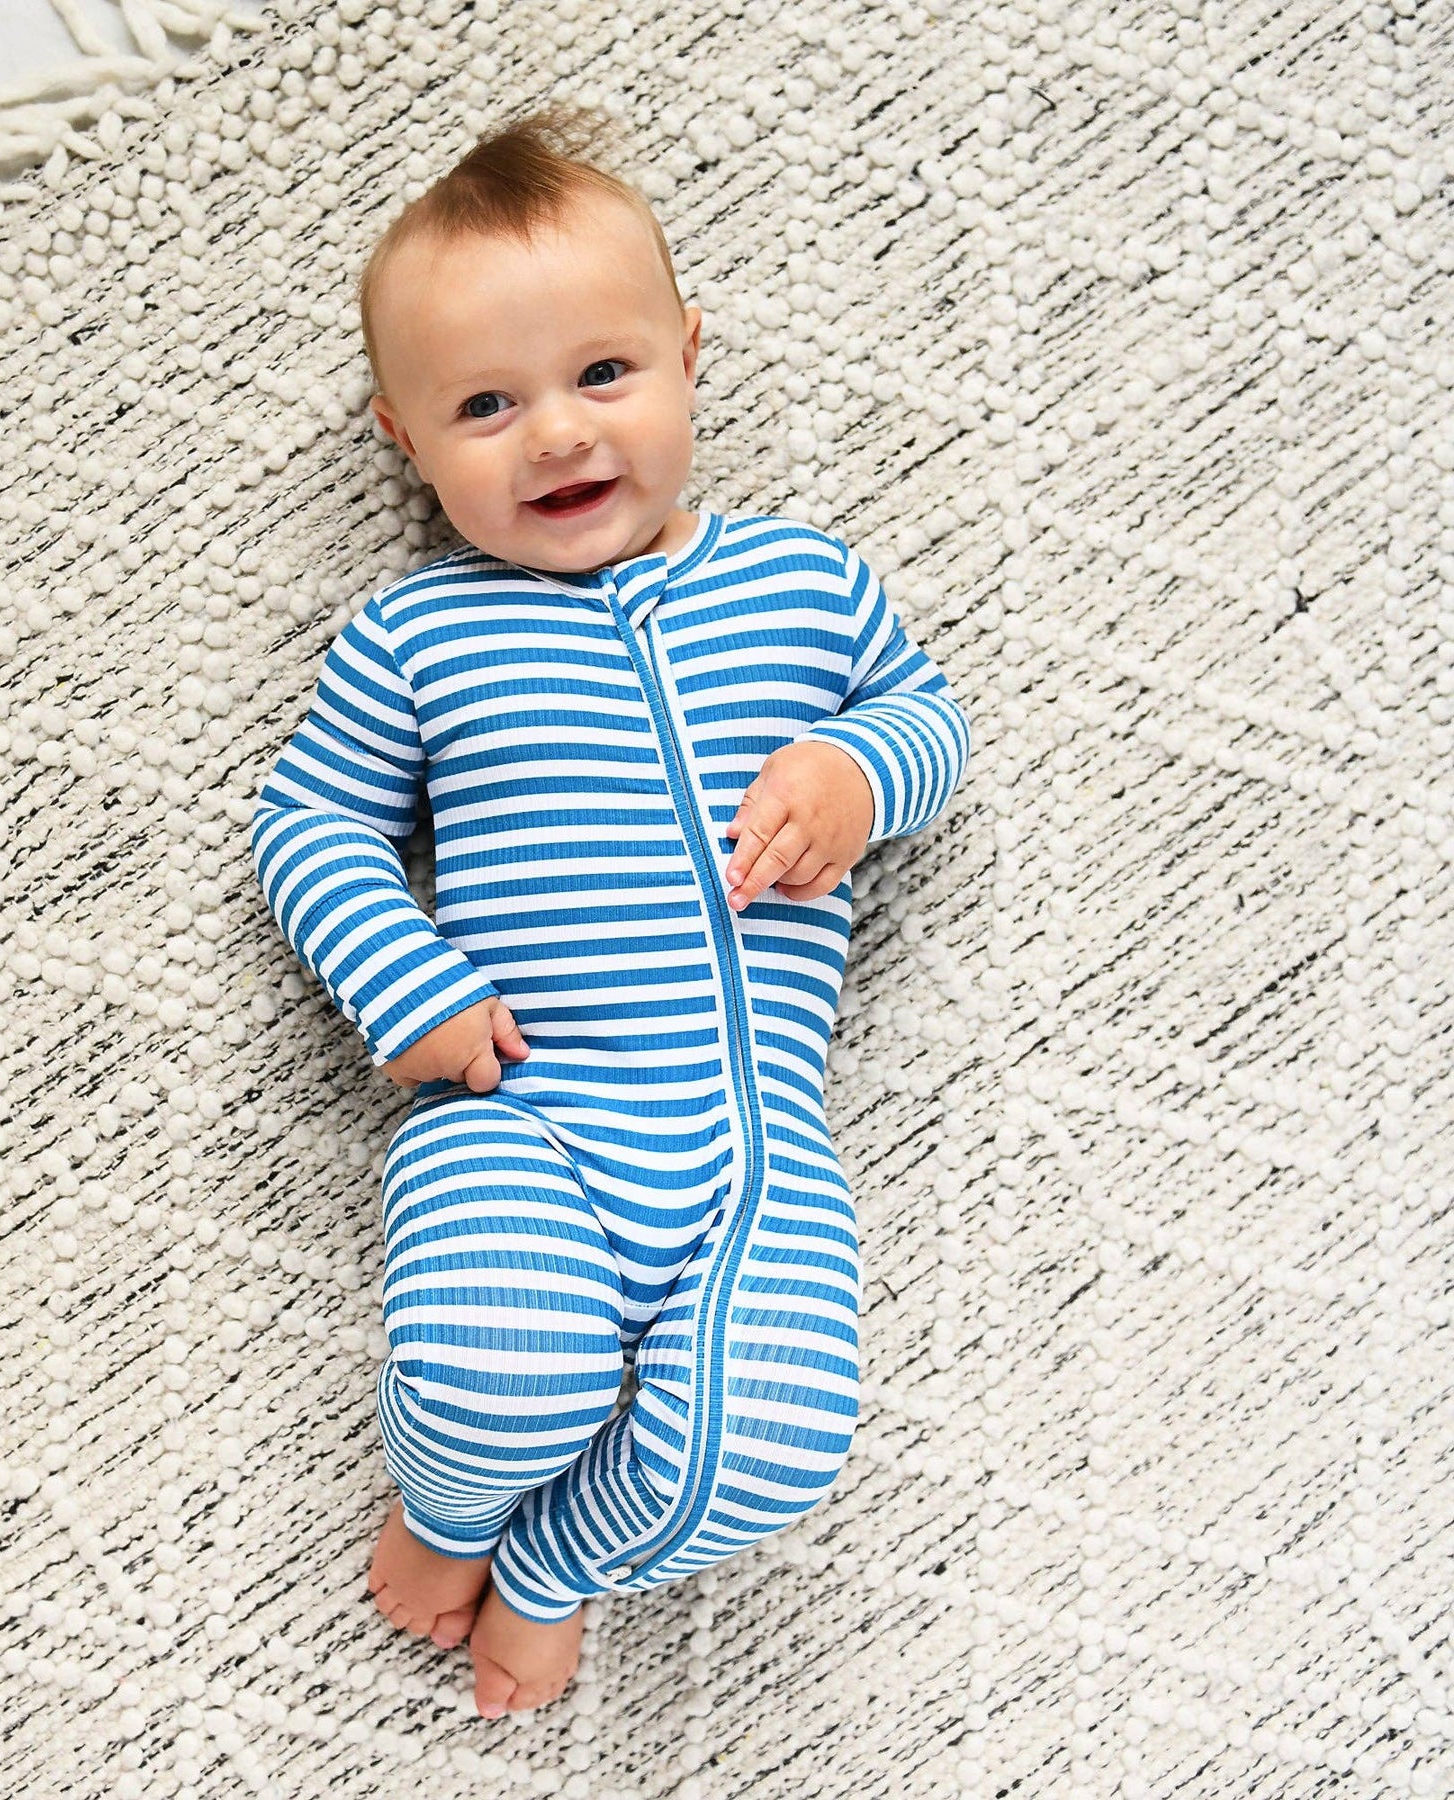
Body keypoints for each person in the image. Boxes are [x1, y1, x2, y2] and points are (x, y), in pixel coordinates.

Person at [248, 102, 971, 1720]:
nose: (558, 437)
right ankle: (449, 1510)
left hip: (760, 1153)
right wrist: (403, 981)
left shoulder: (804, 584)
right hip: (525, 1109)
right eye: (485, 406)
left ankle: (556, 1563)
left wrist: (858, 775)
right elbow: (308, 819)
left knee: (775, 1444)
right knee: (490, 1372)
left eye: (603, 374)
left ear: (688, 357)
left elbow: (931, 715)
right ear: (404, 441)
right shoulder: (417, 636)